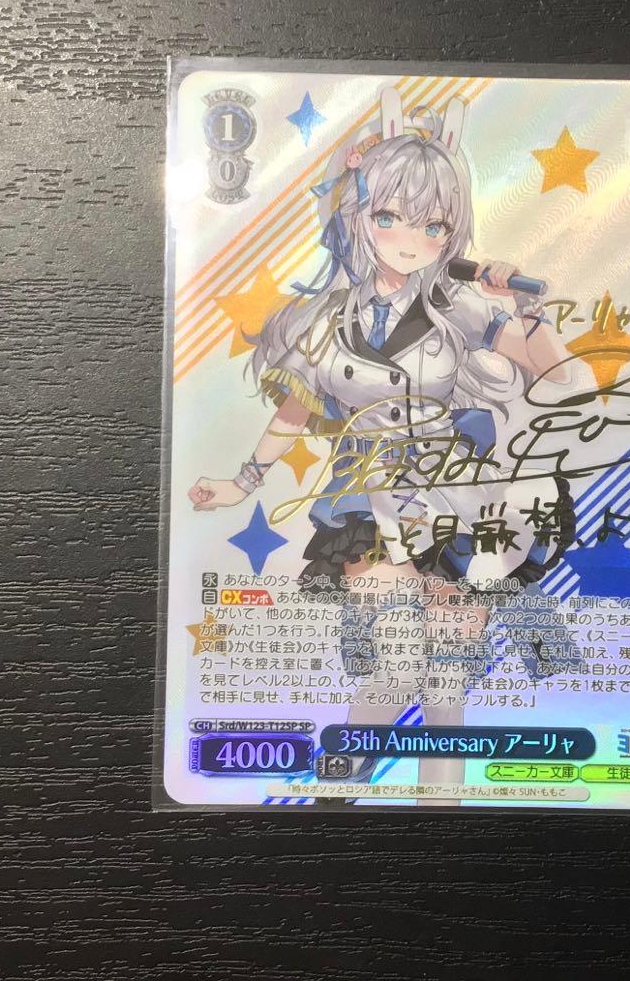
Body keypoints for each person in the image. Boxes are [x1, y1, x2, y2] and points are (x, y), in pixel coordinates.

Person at [189, 89, 575, 804]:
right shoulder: (325, 318)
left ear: (449, 232)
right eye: (389, 216)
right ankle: (335, 802)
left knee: (446, 682)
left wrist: (527, 305)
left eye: (433, 225)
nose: (409, 238)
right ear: (358, 214)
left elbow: (556, 374)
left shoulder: (457, 307)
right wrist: (243, 482)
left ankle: (439, 818)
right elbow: (297, 408)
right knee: (393, 669)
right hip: (368, 501)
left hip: (457, 500)